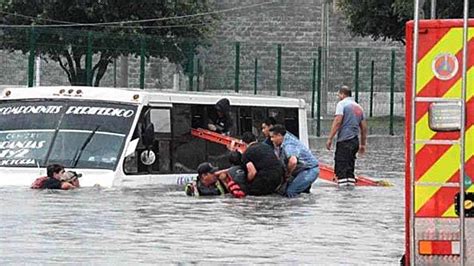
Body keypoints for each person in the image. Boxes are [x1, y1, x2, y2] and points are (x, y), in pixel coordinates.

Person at [325, 85, 368, 187]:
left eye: (339, 95)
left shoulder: (342, 104)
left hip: (344, 141)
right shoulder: (358, 107)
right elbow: (364, 127)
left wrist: (330, 138)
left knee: (341, 168)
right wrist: (363, 144)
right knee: (350, 168)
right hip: (354, 142)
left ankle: (343, 197)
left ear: (342, 94)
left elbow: (338, 121)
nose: (338, 97)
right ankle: (351, 195)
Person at [270, 124, 319, 197]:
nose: (271, 140)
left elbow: (293, 161)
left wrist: (288, 174)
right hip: (303, 170)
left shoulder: (289, 145)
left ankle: (295, 208)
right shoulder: (286, 138)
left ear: (279, 135)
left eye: (272, 137)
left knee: (291, 191)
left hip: (308, 170)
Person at [240, 131, 284, 196]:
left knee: (246, 191)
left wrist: (247, 181)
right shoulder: (267, 146)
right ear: (256, 140)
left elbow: (252, 172)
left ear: (244, 143)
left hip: (265, 179)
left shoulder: (247, 153)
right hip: (278, 178)